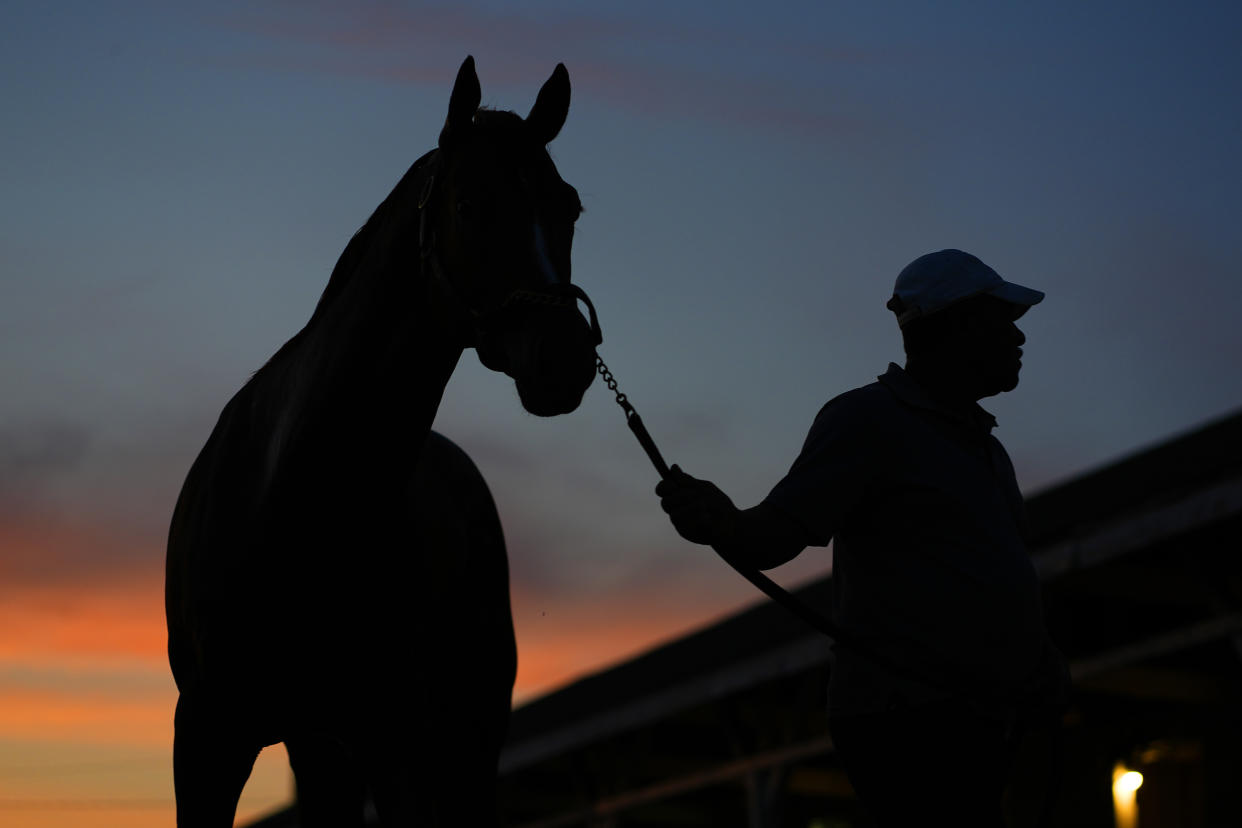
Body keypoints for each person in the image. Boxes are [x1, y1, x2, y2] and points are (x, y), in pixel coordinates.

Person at [656, 249, 1069, 827]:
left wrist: (1042, 663)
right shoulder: (867, 420)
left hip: (986, 717)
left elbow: (1007, 574)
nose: (1018, 336)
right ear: (954, 326)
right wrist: (724, 523)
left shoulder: (987, 447)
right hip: (910, 720)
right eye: (1003, 318)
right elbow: (771, 538)